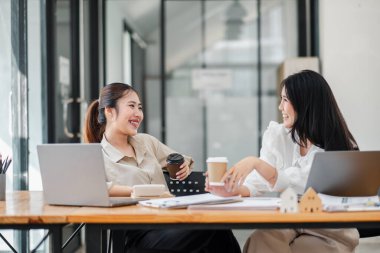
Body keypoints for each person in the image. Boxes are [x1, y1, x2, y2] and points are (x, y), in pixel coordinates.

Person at [206, 70, 359, 253]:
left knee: (303, 248)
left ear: (305, 103)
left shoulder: (339, 146)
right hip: (290, 219)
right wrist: (233, 189)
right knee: (260, 239)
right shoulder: (278, 135)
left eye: (285, 100)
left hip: (327, 227)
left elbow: (302, 181)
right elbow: (258, 182)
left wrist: (256, 163)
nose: (280, 107)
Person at [84, 82, 241, 253]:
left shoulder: (145, 142)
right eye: (131, 106)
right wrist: (135, 191)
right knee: (209, 232)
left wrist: (183, 166)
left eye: (140, 107)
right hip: (137, 234)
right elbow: (92, 189)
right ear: (110, 111)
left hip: (169, 220)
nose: (138, 114)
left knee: (218, 230)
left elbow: (177, 159)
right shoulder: (97, 155)